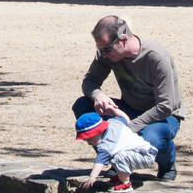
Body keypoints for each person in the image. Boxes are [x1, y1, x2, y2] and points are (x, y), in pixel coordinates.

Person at [73, 13, 184, 182]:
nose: (103, 54)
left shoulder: (156, 57)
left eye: (106, 49)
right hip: (130, 108)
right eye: (100, 50)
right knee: (83, 106)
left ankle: (167, 164)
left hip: (163, 116)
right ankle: (115, 160)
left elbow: (166, 105)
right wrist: (98, 95)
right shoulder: (108, 55)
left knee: (151, 138)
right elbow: (89, 82)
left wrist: (126, 128)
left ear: (123, 39)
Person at [74, 110, 158, 193]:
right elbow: (125, 118)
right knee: (115, 155)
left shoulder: (106, 144)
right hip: (146, 152)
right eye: (86, 140)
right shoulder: (113, 122)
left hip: (145, 157)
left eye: (90, 139)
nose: (89, 143)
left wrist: (92, 177)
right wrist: (113, 109)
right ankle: (120, 177)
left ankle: (125, 184)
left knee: (118, 157)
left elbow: (99, 163)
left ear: (99, 131)